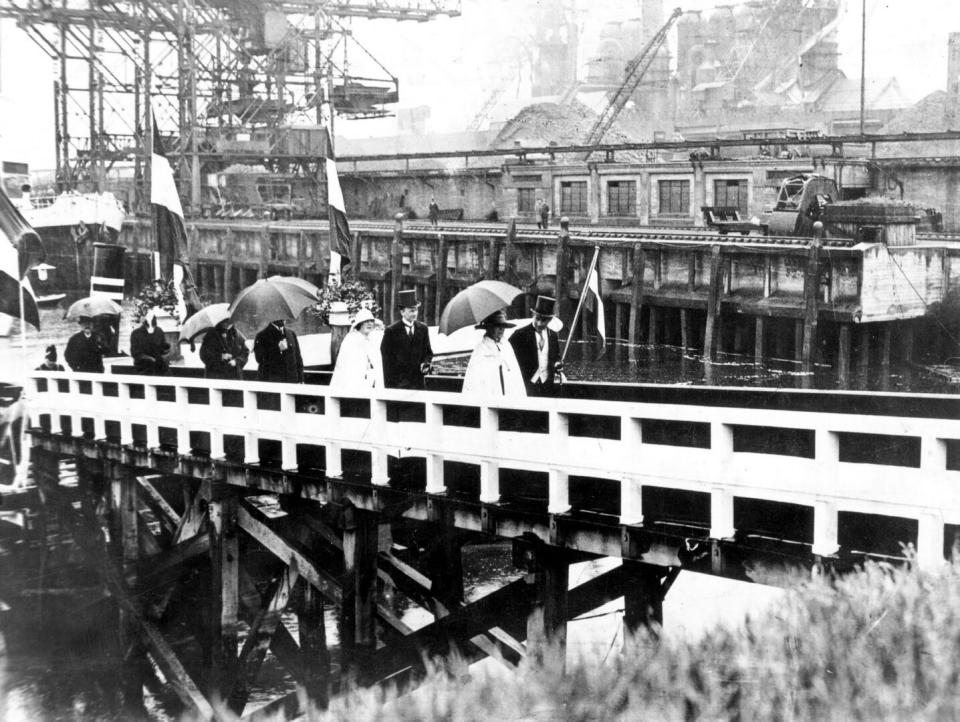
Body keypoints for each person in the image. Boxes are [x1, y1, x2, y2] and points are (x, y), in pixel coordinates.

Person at [462, 309, 526, 397]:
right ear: (489, 327)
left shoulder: (506, 346)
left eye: (503, 326)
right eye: (497, 326)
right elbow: (475, 382)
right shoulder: (481, 350)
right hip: (489, 398)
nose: (501, 329)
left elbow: (516, 376)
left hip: (509, 398)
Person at [509, 295, 563, 396]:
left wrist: (557, 364)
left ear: (550, 320)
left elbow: (556, 356)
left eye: (544, 320)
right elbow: (509, 357)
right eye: (537, 318)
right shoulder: (519, 334)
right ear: (533, 315)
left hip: (547, 384)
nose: (539, 323)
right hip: (527, 385)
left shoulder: (553, 336)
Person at [381, 289, 433, 390]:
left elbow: (428, 352)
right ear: (402, 312)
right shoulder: (391, 331)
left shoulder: (423, 329)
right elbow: (386, 360)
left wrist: (426, 363)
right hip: (399, 383)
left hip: (418, 382)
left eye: (416, 310)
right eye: (411, 310)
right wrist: (391, 385)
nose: (415, 313)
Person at [330, 308, 385, 390]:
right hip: (354, 384)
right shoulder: (351, 340)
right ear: (359, 324)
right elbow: (347, 367)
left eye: (371, 321)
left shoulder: (373, 341)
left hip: (372, 382)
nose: (369, 323)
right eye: (366, 321)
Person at [254, 318, 303, 383]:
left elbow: (298, 357)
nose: (283, 319)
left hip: (292, 381)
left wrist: (301, 378)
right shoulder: (262, 335)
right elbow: (259, 359)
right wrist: (277, 349)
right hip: (272, 382)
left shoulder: (291, 333)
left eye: (284, 317)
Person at [130, 310, 170, 376]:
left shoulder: (159, 331)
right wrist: (150, 359)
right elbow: (135, 353)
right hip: (143, 367)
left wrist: (166, 355)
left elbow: (163, 347)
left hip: (160, 366)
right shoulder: (136, 333)